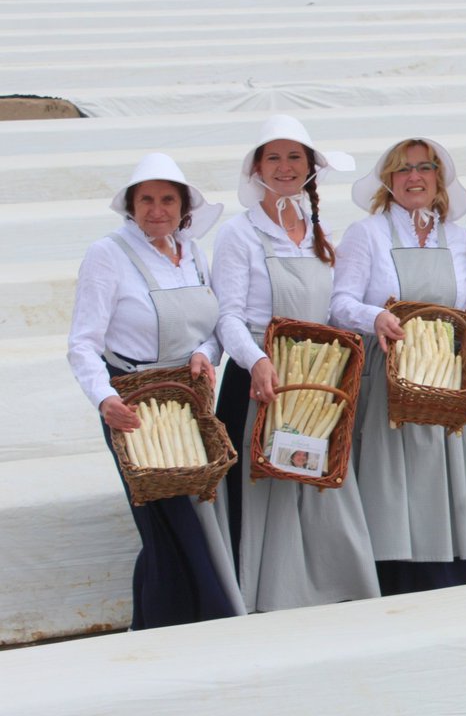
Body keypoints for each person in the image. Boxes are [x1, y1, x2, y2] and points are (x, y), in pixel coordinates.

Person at [67, 152, 245, 628]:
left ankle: (163, 620)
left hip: (189, 403)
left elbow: (211, 327)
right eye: (146, 199)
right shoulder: (108, 254)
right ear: (131, 206)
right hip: (136, 406)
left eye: (168, 199)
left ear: (184, 207)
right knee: (166, 519)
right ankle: (181, 622)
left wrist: (205, 353)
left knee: (194, 514)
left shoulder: (193, 254)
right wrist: (104, 398)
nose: (157, 209)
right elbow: (83, 343)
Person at [212, 114, 380, 611]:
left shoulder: (319, 234)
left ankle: (331, 591)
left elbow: (333, 310)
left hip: (316, 383)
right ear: (257, 168)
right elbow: (228, 317)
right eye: (273, 157)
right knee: (265, 488)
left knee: (318, 481)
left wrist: (372, 323)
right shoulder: (239, 234)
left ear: (310, 167)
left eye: (294, 157)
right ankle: (265, 597)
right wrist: (257, 361)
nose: (284, 166)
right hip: (259, 381)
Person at [330, 137, 466, 595]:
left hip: (443, 376)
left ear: (440, 178)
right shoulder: (367, 234)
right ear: (388, 181)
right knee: (393, 484)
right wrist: (375, 317)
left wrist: (464, 344)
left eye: (424, 168)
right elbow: (339, 303)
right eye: (403, 169)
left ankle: (450, 577)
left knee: (442, 481)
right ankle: (397, 582)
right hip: (389, 379)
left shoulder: (459, 239)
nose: (415, 177)